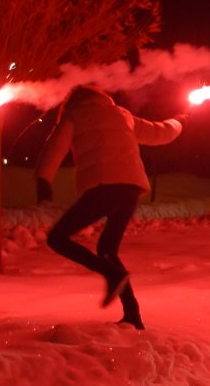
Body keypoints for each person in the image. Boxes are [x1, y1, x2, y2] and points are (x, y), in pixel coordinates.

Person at [35, 86, 186, 330]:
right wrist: (178, 122)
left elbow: (53, 149)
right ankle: (133, 315)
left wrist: (43, 181)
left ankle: (112, 275)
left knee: (57, 238)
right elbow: (159, 132)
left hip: (103, 186)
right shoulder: (122, 115)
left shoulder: (74, 117)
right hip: (131, 188)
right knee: (107, 249)